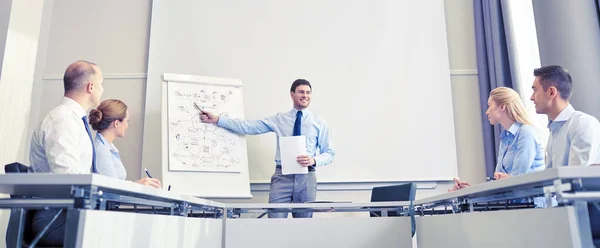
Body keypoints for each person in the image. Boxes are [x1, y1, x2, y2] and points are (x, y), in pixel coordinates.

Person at [199, 79, 335, 218]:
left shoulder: (319, 122)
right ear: (292, 94)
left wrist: (313, 160)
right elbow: (249, 127)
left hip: (307, 178)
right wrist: (217, 120)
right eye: (301, 92)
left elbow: (329, 153)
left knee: (303, 226)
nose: (305, 95)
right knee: (274, 223)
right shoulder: (279, 119)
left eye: (308, 92)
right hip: (282, 176)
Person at [28, 60, 104, 246]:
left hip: (69, 211)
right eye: (101, 84)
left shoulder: (74, 120)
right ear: (91, 86)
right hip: (55, 216)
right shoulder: (61, 120)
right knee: (119, 231)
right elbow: (68, 177)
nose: (102, 89)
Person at [450, 87, 545, 192]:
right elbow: (499, 183)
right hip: (514, 204)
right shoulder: (505, 137)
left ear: (502, 107)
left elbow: (516, 181)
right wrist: (469, 190)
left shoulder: (526, 133)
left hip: (533, 204)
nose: (486, 112)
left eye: (489, 106)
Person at [529, 65, 600, 168]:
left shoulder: (583, 124)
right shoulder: (555, 130)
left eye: (535, 90)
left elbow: (578, 177)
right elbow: (550, 177)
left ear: (551, 92)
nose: (531, 97)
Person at [88, 99, 161, 188]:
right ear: (117, 123)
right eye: (127, 121)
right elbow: (112, 187)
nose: (127, 126)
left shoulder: (108, 148)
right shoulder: (101, 150)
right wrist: (137, 185)